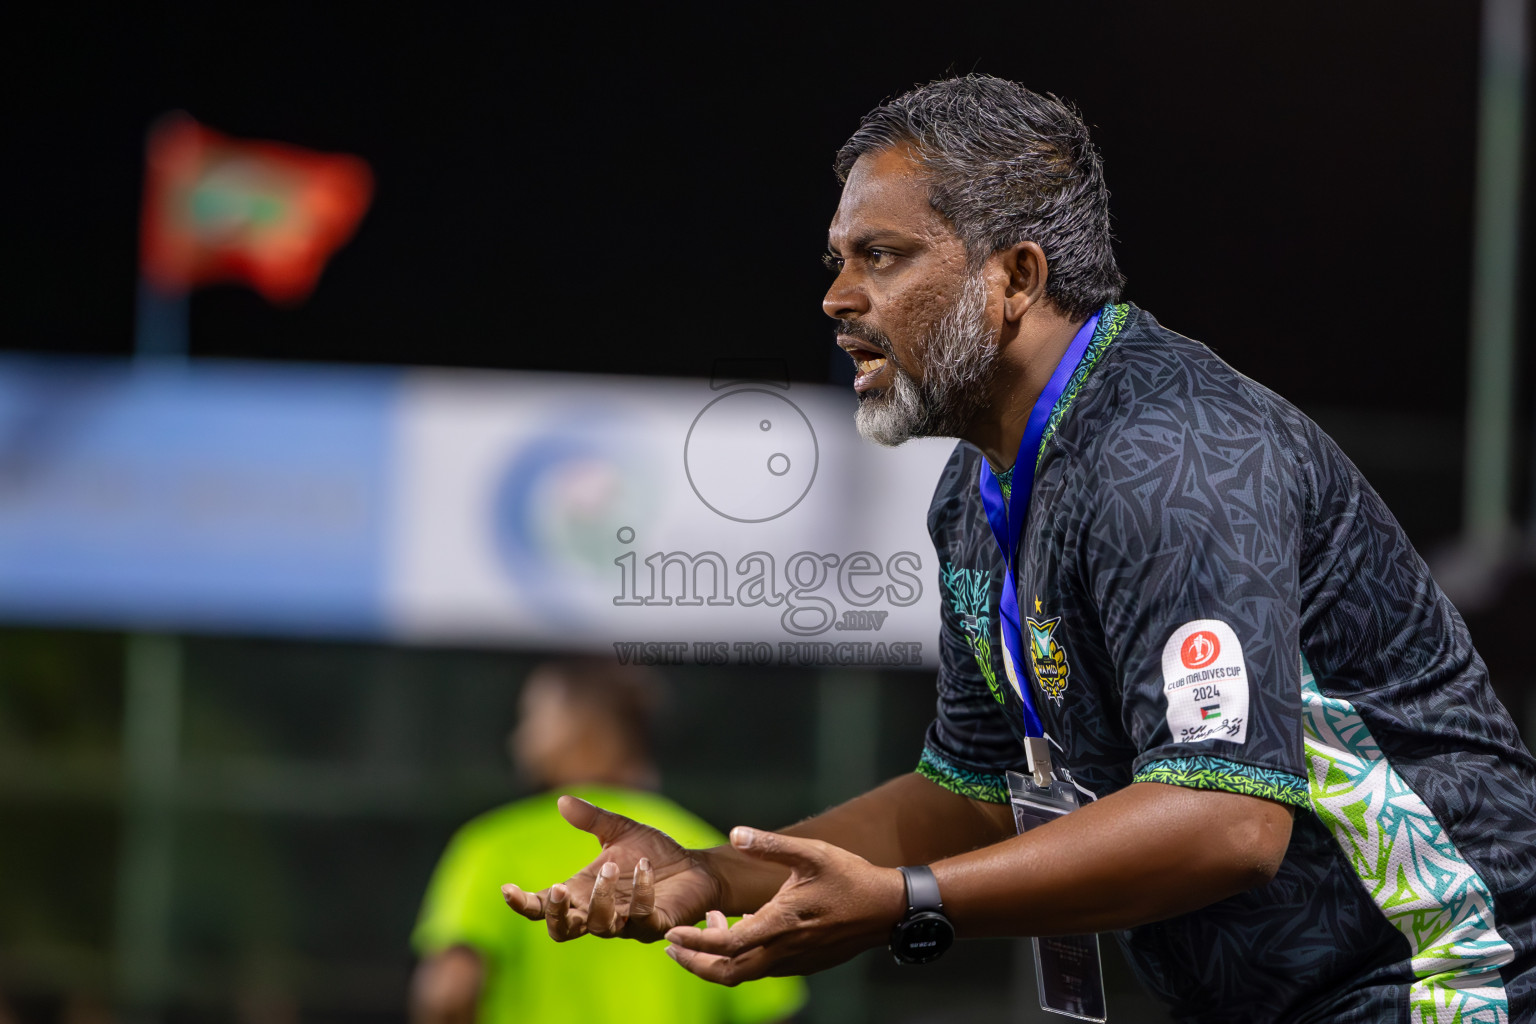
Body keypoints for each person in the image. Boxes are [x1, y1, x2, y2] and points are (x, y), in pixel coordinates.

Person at [500, 76, 1536, 1022]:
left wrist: (906, 904)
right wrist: (714, 877)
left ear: (1015, 277)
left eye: (883, 255)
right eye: (838, 260)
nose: (837, 298)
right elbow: (976, 787)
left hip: (1452, 978)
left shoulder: (1166, 452)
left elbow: (1227, 820)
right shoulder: (977, 486)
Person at [411, 659, 805, 1024]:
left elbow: (449, 993)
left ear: (582, 730)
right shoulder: (711, 856)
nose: (519, 738)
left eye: (534, 719)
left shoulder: (495, 844)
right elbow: (764, 1004)